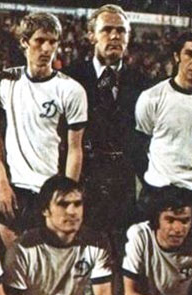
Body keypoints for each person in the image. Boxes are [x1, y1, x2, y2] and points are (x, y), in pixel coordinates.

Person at [0, 12, 87, 249]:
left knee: (46, 261)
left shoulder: (71, 90)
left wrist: (64, 198)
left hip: (48, 191)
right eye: (40, 41)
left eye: (52, 42)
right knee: (13, 262)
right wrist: (1, 182)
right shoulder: (7, 82)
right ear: (25, 42)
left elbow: (75, 149)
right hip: (13, 190)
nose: (46, 49)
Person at [64, 4, 149, 244]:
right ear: (91, 36)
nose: (114, 36)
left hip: (123, 186)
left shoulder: (143, 84)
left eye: (121, 31)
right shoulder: (71, 78)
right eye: (107, 30)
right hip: (83, 179)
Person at [134, 30, 192, 229]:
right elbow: (140, 144)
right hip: (159, 191)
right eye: (190, 54)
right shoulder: (151, 97)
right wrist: (155, 179)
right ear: (177, 56)